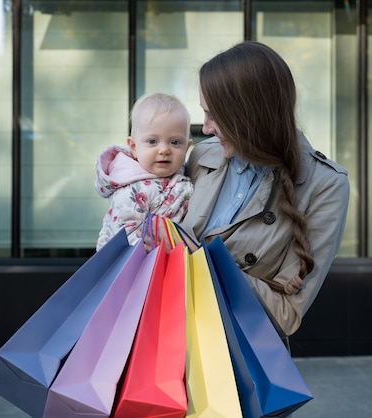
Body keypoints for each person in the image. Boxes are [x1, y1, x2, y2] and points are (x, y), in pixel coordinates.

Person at [150, 41, 350, 337]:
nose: (205, 128)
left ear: (249, 114)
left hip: (234, 357)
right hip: (165, 340)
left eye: (214, 115)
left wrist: (204, 263)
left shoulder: (325, 185)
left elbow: (286, 314)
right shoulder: (203, 155)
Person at [95, 92, 194, 250]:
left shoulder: (183, 175)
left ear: (187, 147)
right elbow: (123, 235)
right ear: (134, 147)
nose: (164, 150)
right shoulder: (132, 188)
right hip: (138, 266)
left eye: (175, 142)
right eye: (152, 141)